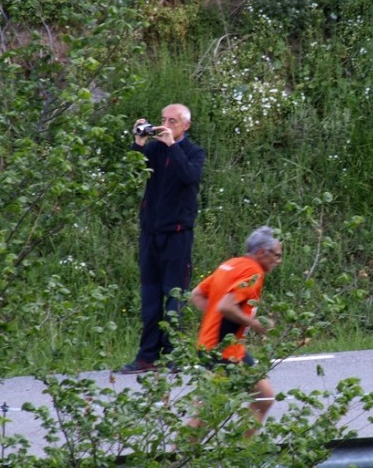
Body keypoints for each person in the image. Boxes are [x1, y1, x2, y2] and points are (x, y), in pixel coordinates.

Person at [118, 104, 206, 374]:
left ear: (185, 126)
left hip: (177, 234)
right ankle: (147, 356)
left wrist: (172, 146)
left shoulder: (193, 152)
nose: (165, 124)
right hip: (150, 233)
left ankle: (173, 354)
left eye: (173, 121)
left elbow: (190, 177)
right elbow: (134, 172)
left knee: (173, 295)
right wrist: (139, 142)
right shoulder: (154, 148)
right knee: (150, 296)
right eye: (163, 119)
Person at [188, 226, 283, 434]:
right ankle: (176, 462)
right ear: (261, 253)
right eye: (276, 255)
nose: (279, 261)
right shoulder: (253, 272)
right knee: (206, 412)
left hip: (228, 347)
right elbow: (226, 306)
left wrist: (215, 318)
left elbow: (196, 294)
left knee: (264, 397)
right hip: (221, 351)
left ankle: (243, 452)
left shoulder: (230, 265)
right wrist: (256, 324)